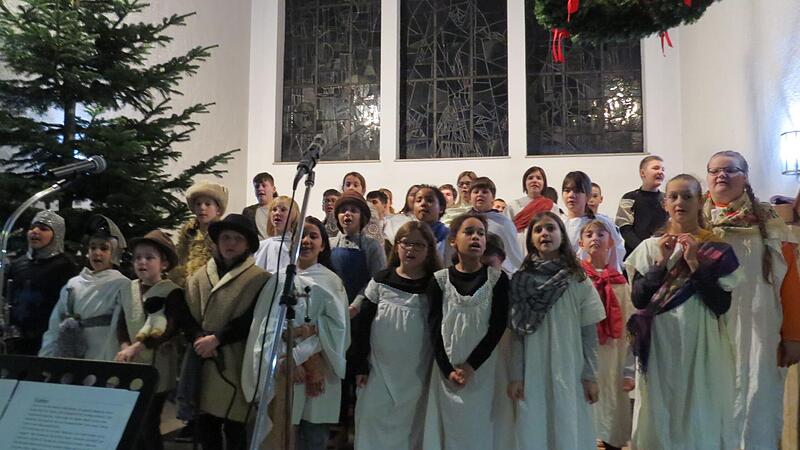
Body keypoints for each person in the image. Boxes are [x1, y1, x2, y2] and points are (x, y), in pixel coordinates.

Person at [627, 174, 741, 449]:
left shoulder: (717, 249)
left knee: (698, 406)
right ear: (665, 203)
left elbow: (721, 305)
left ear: (700, 200)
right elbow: (640, 299)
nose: (680, 202)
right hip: (660, 344)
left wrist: (695, 264)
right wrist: (661, 263)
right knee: (660, 406)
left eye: (688, 196)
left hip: (700, 342)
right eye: (674, 197)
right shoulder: (648, 247)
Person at [703, 150, 800, 449]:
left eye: (730, 170)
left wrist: (793, 335)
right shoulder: (697, 222)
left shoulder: (769, 222)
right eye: (715, 170)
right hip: (709, 327)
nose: (722, 175)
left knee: (758, 397)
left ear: (744, 177)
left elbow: (790, 281)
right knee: (712, 400)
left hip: (760, 326)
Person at [243, 216, 349, 450]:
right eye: (301, 234)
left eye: (314, 236)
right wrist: (287, 359)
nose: (306, 240)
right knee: (281, 435)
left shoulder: (332, 283)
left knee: (313, 437)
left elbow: (338, 331)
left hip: (319, 372)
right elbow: (266, 327)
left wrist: (300, 356)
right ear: (291, 242)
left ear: (323, 245)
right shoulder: (279, 279)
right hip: (282, 368)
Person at [506, 211, 604, 450]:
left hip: (570, 369)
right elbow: (518, 333)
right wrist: (516, 375)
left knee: (569, 425)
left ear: (562, 235)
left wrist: (590, 376)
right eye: (538, 230)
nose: (545, 234)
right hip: (533, 371)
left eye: (551, 228)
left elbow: (588, 333)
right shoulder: (520, 281)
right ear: (530, 240)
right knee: (534, 428)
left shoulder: (578, 279)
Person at [182, 214, 270, 450]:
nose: (230, 243)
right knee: (206, 426)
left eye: (238, 239)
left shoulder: (260, 279)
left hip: (236, 358)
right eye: (226, 237)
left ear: (248, 245)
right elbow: (187, 314)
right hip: (203, 356)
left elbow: (253, 317)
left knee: (235, 426)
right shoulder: (199, 276)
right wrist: (198, 338)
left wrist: (218, 339)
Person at [424, 212, 509, 450]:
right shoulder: (439, 280)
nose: (476, 238)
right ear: (453, 240)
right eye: (469, 232)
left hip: (484, 368)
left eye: (481, 233)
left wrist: (471, 366)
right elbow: (433, 326)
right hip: (446, 367)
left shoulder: (498, 279)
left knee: (480, 427)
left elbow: (497, 327)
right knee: (448, 428)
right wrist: (447, 368)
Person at [353, 221, 441, 450]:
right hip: (378, 371)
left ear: (429, 249)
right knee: (372, 424)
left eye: (418, 245)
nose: (411, 249)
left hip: (418, 373)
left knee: (411, 430)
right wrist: (360, 365)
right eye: (406, 243)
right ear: (397, 246)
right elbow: (362, 325)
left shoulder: (436, 285)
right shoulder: (381, 280)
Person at [115, 230, 189, 450]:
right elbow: (122, 322)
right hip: (131, 365)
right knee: (132, 420)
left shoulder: (171, 292)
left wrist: (139, 347)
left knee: (149, 421)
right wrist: (125, 346)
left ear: (164, 263)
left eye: (149, 257)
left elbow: (169, 328)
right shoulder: (128, 288)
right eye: (138, 257)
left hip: (158, 368)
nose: (142, 262)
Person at [39, 216, 129, 360]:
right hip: (69, 355)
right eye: (93, 247)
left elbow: (119, 327)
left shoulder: (121, 284)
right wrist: (47, 355)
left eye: (104, 248)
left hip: (102, 356)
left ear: (114, 253)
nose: (97, 252)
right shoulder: (73, 284)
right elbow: (55, 324)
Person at [578, 220, 634, 450]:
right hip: (584, 356)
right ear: (581, 242)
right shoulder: (577, 280)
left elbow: (631, 330)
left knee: (611, 409)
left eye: (601, 234)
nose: (595, 238)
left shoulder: (620, 283)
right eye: (589, 234)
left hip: (613, 356)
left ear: (611, 242)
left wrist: (629, 370)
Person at [5, 210, 79, 355]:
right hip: (16, 338)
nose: (35, 232)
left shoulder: (65, 265)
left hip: (48, 339)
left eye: (43, 229)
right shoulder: (18, 264)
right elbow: (6, 297)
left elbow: (69, 304)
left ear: (56, 234)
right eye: (32, 228)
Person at [561, 171, 626, 272]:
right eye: (567, 190)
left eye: (577, 191)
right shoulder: (559, 224)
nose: (571, 195)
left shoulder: (603, 223)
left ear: (587, 196)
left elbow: (616, 251)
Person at [172, 180, 228, 287]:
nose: (202, 208)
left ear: (218, 209)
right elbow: (179, 261)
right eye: (198, 204)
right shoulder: (188, 233)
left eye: (208, 204)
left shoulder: (222, 235)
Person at [615, 155, 668, 257]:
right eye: (656, 168)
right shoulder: (630, 198)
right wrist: (644, 250)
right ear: (642, 173)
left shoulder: (667, 199)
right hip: (636, 255)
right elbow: (625, 229)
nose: (661, 172)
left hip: (663, 253)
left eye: (663, 169)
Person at [469, 177, 524, 273]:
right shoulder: (464, 221)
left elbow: (513, 253)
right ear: (470, 197)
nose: (480, 194)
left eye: (485, 192)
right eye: (476, 191)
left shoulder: (503, 223)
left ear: (493, 197)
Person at [504, 166, 558, 250]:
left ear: (544, 184)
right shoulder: (513, 206)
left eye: (539, 178)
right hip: (517, 249)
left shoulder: (552, 207)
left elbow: (556, 232)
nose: (534, 180)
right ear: (524, 183)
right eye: (530, 178)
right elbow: (506, 231)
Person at [254, 196, 300, 274]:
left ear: (293, 215)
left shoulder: (297, 247)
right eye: (274, 209)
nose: (277, 213)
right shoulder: (261, 246)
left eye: (283, 210)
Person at [412, 185, 451, 263]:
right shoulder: (408, 235)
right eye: (418, 200)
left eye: (429, 200)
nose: (423, 204)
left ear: (441, 208)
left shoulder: (449, 236)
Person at [342, 172, 384, 242]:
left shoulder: (369, 208)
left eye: (355, 185)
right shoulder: (337, 207)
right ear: (343, 188)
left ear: (363, 190)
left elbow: (374, 238)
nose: (351, 188)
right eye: (348, 185)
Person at [242, 172, 279, 239]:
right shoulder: (249, 212)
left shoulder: (283, 210)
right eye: (257, 186)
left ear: (273, 189)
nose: (260, 188)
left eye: (264, 185)